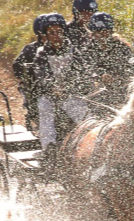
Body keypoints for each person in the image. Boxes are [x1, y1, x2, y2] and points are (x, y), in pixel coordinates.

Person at [29, 13, 89, 164]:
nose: (56, 36)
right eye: (51, 33)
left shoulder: (74, 51)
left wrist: (78, 84)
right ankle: (49, 147)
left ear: (63, 32)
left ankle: (87, 145)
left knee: (84, 114)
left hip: (70, 95)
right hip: (50, 96)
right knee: (45, 108)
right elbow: (41, 75)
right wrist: (52, 86)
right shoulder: (41, 53)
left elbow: (83, 71)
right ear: (46, 35)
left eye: (59, 32)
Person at [80, 12, 134, 109]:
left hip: (122, 87)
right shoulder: (88, 49)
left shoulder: (121, 46)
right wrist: (100, 76)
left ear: (110, 31)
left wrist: (132, 66)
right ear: (93, 33)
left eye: (105, 31)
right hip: (99, 91)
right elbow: (86, 69)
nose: (102, 35)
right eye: (99, 32)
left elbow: (131, 60)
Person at [12, 13, 52, 132]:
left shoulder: (63, 47)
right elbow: (17, 66)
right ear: (40, 34)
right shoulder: (31, 50)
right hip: (38, 90)